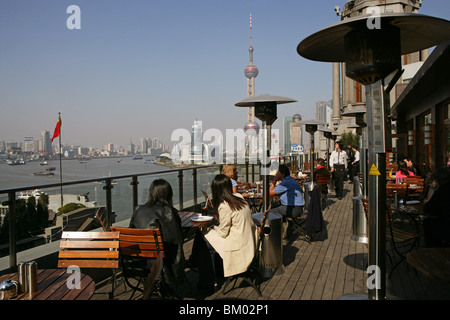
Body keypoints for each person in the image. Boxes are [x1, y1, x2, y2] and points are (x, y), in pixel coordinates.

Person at [129, 179, 186, 289]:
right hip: (160, 264)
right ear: (169, 193)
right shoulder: (168, 212)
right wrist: (178, 271)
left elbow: (132, 235)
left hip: (137, 262)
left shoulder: (138, 209)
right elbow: (175, 243)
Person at [200, 174, 257, 283]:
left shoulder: (224, 205)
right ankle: (199, 265)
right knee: (205, 235)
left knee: (204, 236)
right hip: (248, 241)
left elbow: (223, 233)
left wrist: (213, 228)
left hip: (237, 244)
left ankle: (208, 279)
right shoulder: (239, 198)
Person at [422, 167, 450, 247]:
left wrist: (432, 188)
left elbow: (427, 208)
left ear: (437, 180)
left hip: (444, 226)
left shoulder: (442, 191)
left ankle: (433, 251)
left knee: (427, 222)